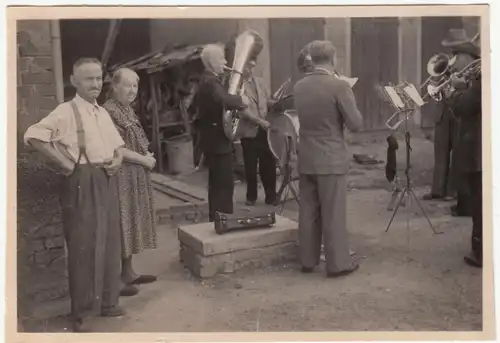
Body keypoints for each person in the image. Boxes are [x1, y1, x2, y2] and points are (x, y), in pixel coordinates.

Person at [24, 57, 125, 332]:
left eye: (98, 78)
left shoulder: (101, 112)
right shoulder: (65, 111)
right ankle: (81, 314)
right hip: (81, 181)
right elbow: (33, 135)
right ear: (75, 82)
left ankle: (108, 303)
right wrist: (62, 163)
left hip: (105, 178)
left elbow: (117, 146)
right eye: (88, 79)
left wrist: (116, 159)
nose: (95, 84)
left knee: (110, 241)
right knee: (83, 246)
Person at [293, 41, 363, 277]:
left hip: (307, 156)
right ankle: (338, 264)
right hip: (331, 157)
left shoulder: (300, 86)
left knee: (308, 210)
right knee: (333, 212)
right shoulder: (339, 86)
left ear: (311, 58)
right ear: (333, 59)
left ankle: (307, 260)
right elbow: (356, 124)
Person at [103, 68, 158, 296]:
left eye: (135, 86)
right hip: (121, 175)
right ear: (114, 87)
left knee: (132, 221)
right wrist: (145, 160)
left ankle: (129, 272)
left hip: (135, 174)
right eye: (127, 85)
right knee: (122, 223)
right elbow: (118, 149)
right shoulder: (108, 111)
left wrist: (146, 157)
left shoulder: (126, 109)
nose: (132, 90)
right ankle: (116, 278)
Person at [195, 44, 247, 222]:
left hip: (214, 140)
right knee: (224, 185)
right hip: (218, 141)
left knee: (218, 185)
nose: (225, 61)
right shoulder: (210, 81)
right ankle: (224, 220)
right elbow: (224, 100)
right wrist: (241, 99)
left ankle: (217, 219)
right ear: (211, 62)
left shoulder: (210, 80)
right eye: (221, 58)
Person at [446, 36, 482, 268]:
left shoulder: (480, 78)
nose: (453, 62)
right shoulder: (477, 78)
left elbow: (464, 107)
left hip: (477, 148)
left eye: (456, 56)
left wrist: (454, 93)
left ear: (468, 58)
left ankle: (480, 253)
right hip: (475, 146)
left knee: (480, 204)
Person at [235, 58, 277, 206]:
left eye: (252, 67)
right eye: (247, 67)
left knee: (269, 164)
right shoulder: (237, 85)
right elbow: (242, 110)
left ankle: (271, 196)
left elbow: (267, 101)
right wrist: (260, 121)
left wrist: (276, 103)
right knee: (250, 167)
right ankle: (251, 197)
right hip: (249, 131)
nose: (250, 70)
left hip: (265, 131)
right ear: (242, 67)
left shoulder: (260, 82)